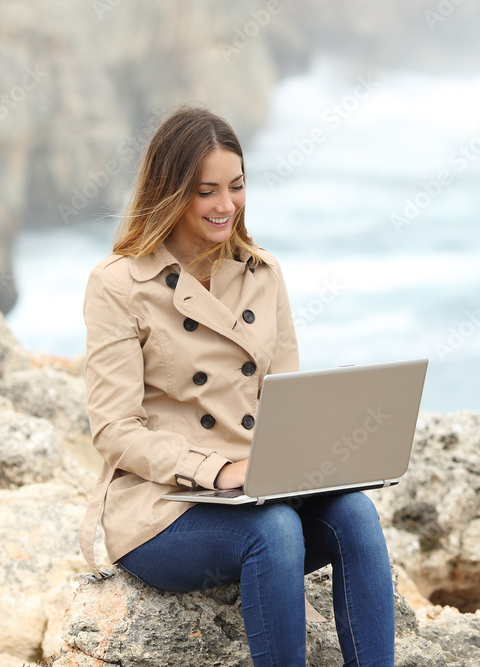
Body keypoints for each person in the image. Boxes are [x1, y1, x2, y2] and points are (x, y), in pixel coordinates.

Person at [77, 104, 396, 666]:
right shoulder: (118, 284)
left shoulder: (263, 272)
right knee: (272, 531)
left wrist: (327, 456)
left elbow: (288, 404)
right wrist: (217, 471)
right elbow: (113, 430)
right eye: (207, 191)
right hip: (162, 510)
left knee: (356, 515)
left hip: (259, 487)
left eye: (237, 186)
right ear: (170, 192)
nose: (227, 205)